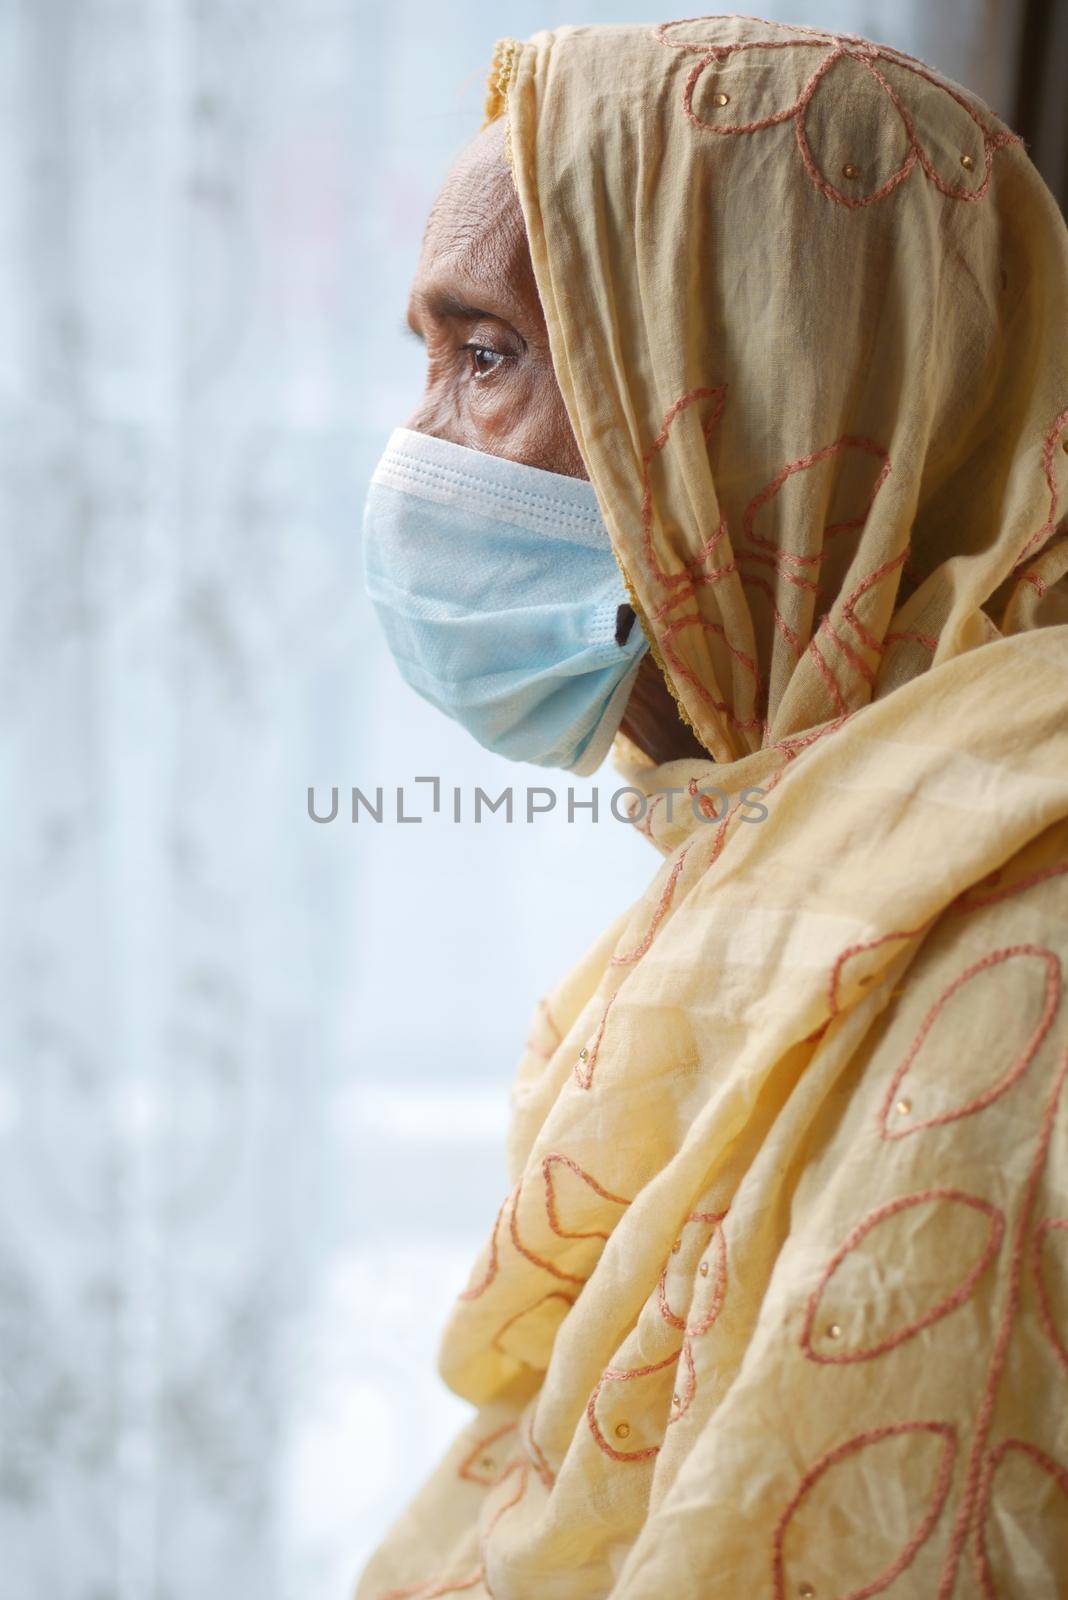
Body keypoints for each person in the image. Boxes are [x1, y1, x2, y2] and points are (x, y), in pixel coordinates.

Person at [357, 15, 1068, 1598]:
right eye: (426, 357)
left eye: (486, 357)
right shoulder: (780, 850)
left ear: (747, 391)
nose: (415, 448)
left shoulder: (1024, 979)